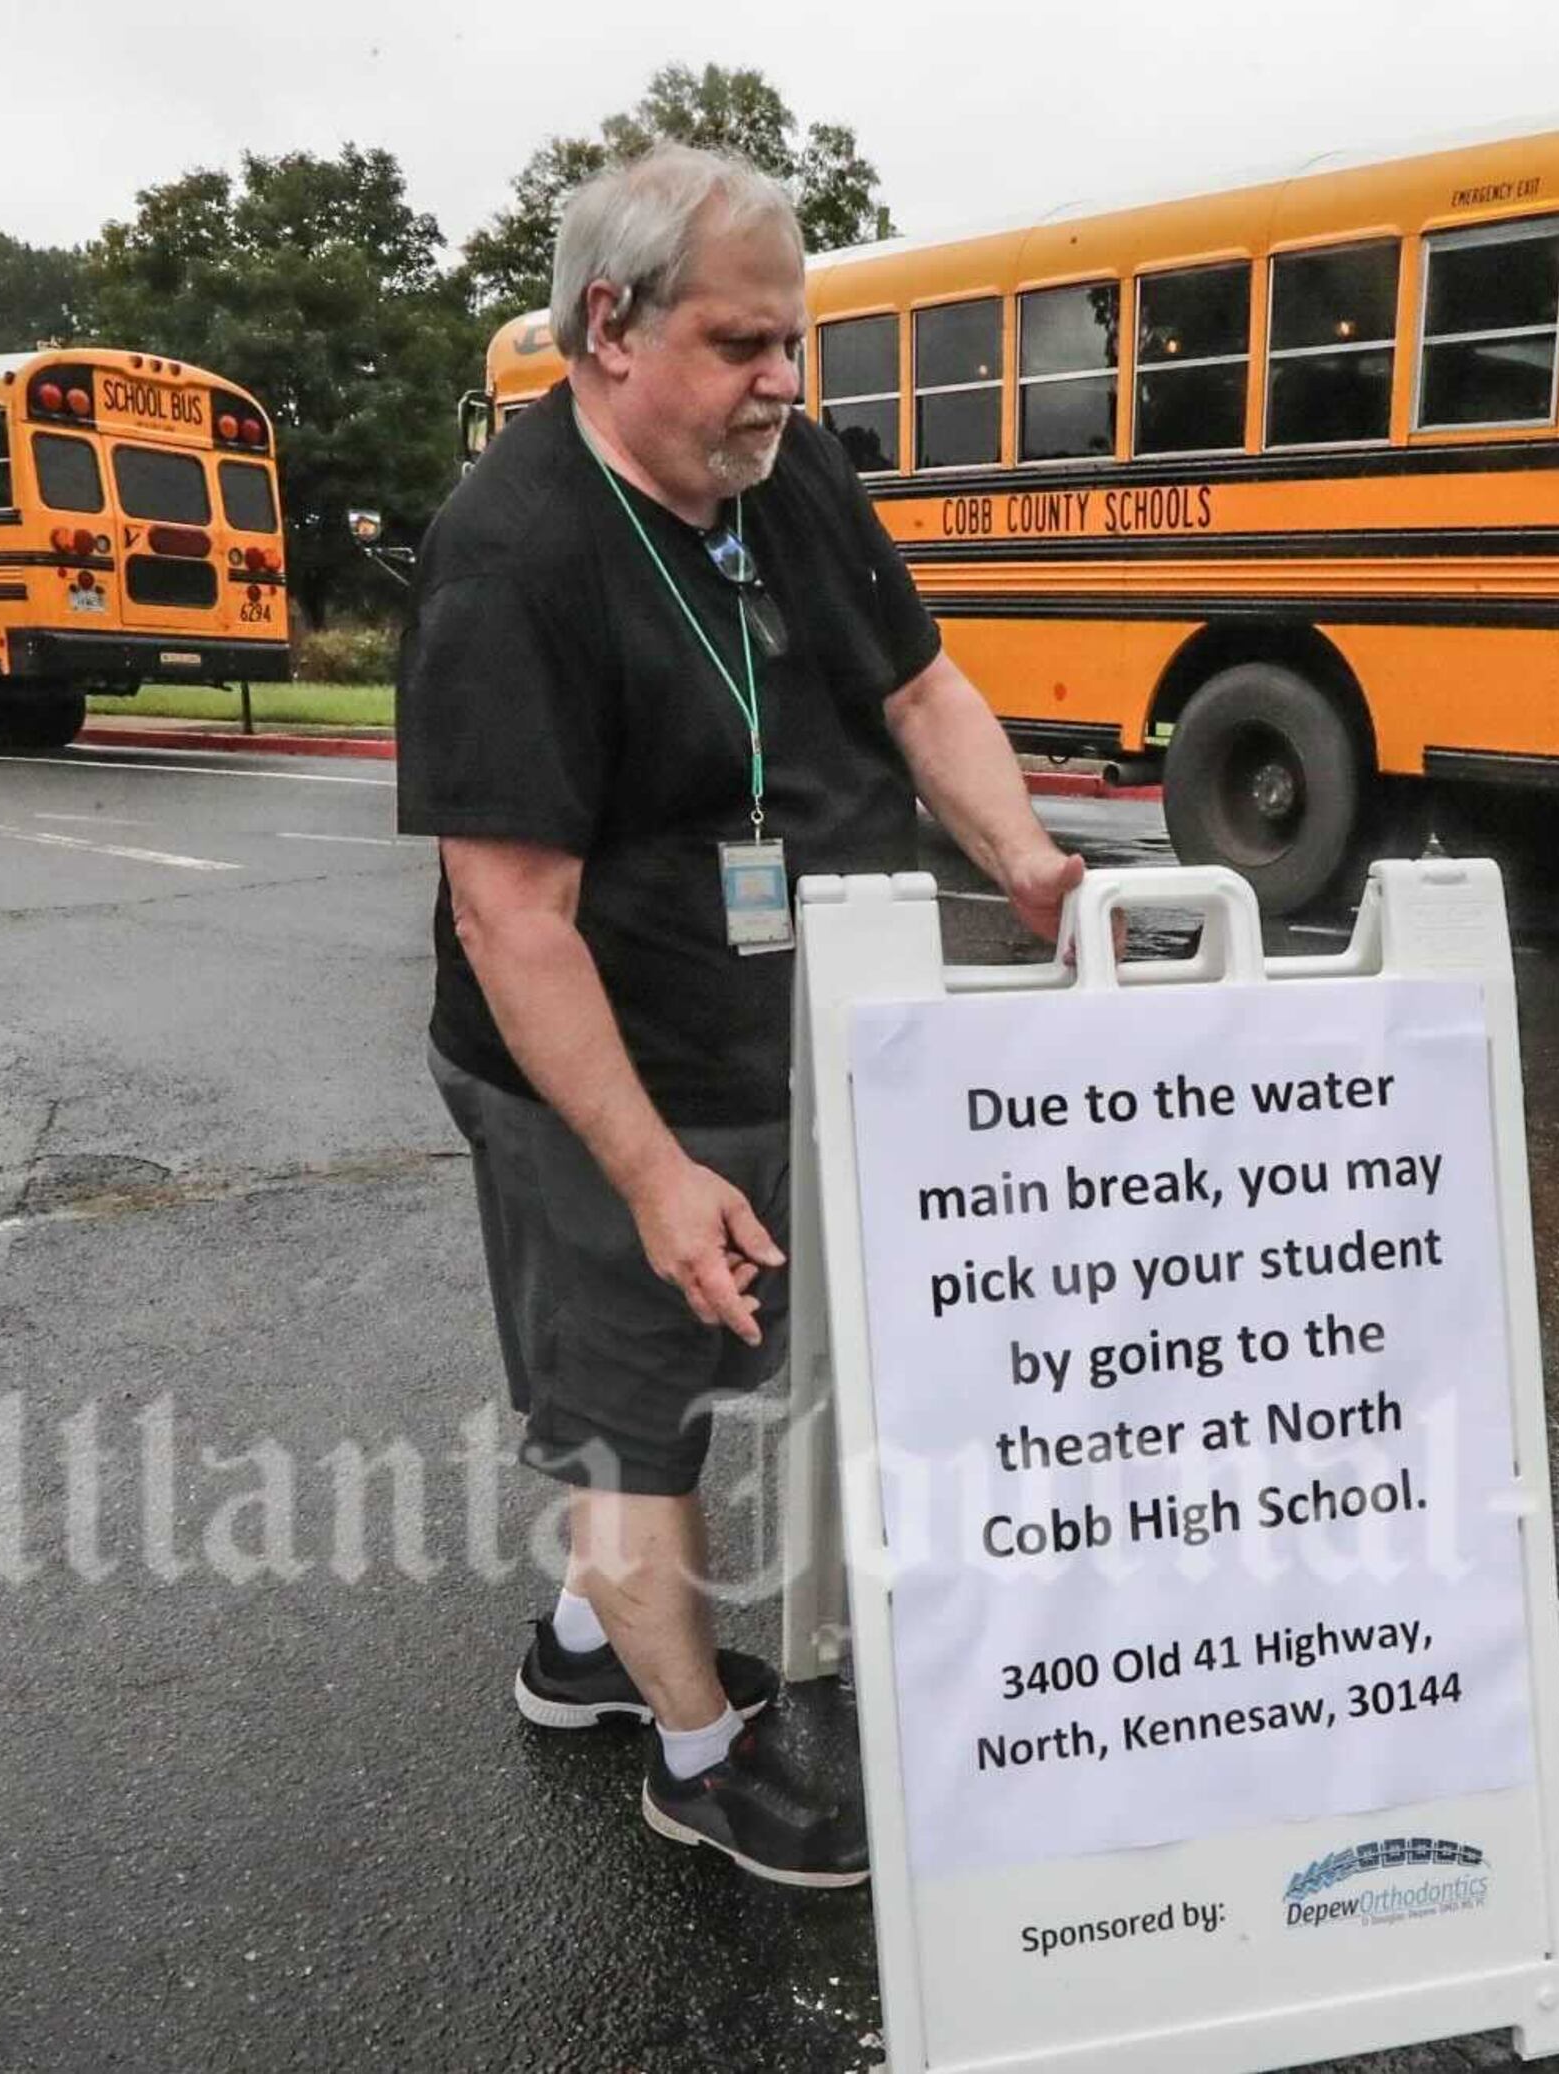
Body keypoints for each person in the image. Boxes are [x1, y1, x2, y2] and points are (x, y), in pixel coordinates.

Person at [396, 145, 1082, 1889]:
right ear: (606, 329)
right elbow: (512, 917)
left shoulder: (785, 473)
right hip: (601, 1072)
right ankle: (696, 1757)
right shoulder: (512, 557)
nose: (783, 383)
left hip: (793, 1029)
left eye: (796, 343)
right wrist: (646, 1173)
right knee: (644, 1408)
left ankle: (584, 1653)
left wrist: (1027, 866)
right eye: (741, 344)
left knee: (726, 1360)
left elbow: (919, 687)